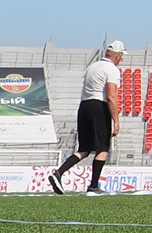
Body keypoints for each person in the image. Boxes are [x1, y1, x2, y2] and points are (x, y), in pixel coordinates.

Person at [52, 40, 124, 193]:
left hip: (84, 106)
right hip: (99, 107)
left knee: (84, 149)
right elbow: (111, 96)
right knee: (102, 148)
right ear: (117, 56)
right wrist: (116, 121)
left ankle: (59, 173)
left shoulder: (93, 66)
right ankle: (93, 186)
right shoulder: (112, 69)